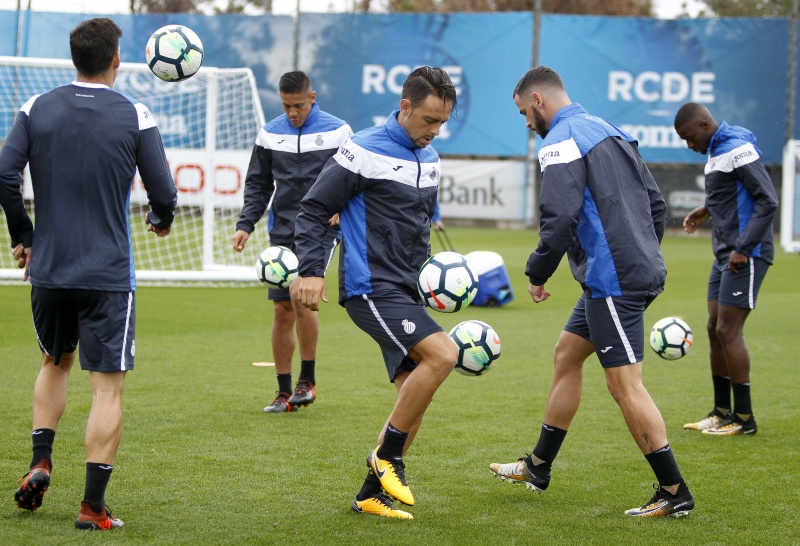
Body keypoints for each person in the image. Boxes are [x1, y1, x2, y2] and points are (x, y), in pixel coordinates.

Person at [489, 66, 694, 518]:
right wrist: (638, 248)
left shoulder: (559, 139)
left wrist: (537, 272)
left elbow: (558, 218)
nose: (526, 123)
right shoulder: (608, 128)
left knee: (625, 385)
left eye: (525, 112)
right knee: (567, 355)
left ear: (539, 100)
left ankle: (674, 490)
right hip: (620, 272)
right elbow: (655, 202)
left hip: (612, 279)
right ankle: (538, 466)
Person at [0, 18, 177, 530]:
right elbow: (163, 193)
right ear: (116, 59)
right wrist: (161, 220)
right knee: (107, 390)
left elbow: (4, 173)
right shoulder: (134, 113)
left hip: (49, 270)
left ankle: (40, 460)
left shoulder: (37, 108)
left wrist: (24, 234)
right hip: (107, 276)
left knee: (54, 363)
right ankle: (92, 507)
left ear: (74, 57)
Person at [294, 66, 458, 520]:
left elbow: (416, 226)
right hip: (371, 288)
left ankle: (370, 493)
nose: (434, 131)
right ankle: (387, 460)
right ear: (404, 107)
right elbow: (313, 208)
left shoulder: (432, 157)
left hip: (407, 291)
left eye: (442, 122)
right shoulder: (362, 149)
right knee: (444, 355)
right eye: (428, 120)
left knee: (414, 394)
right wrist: (311, 270)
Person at [233, 71, 352, 413]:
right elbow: (258, 184)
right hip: (282, 231)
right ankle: (284, 393)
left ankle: (307, 381)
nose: (292, 113)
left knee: (301, 299)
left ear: (312, 97)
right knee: (282, 309)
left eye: (298, 105)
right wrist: (246, 224)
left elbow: (357, 178)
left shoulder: (339, 131)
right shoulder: (270, 133)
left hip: (321, 228)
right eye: (286, 106)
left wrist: (343, 208)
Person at [674, 102, 778, 436]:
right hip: (726, 253)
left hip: (745, 254)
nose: (690, 146)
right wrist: (706, 210)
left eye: (690, 138)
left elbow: (767, 200)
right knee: (713, 329)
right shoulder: (718, 149)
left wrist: (743, 248)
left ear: (705, 125)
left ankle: (744, 418)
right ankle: (721, 411)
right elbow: (734, 191)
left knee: (728, 331)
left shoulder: (738, 149)